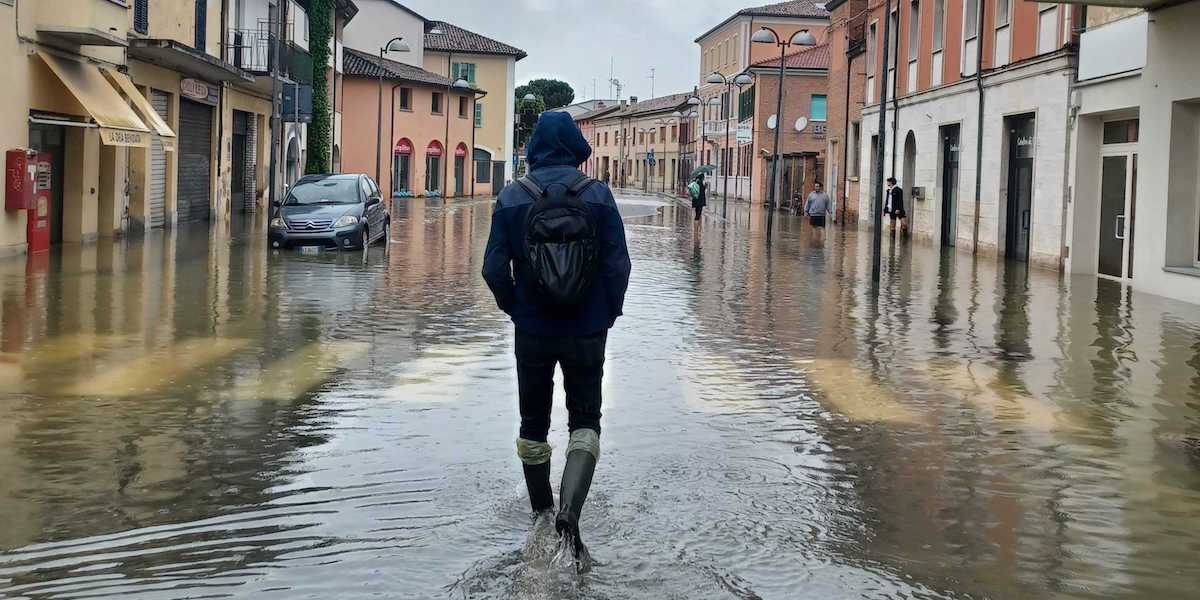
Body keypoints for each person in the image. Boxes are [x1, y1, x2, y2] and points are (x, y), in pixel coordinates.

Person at [482, 112, 632, 558]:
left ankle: (542, 515)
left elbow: (492, 268)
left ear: (533, 147)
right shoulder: (599, 196)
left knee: (533, 423)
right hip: (588, 329)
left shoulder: (512, 196)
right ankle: (570, 511)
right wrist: (607, 312)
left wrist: (516, 307)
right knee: (585, 419)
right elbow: (618, 265)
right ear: (575, 147)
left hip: (533, 329)